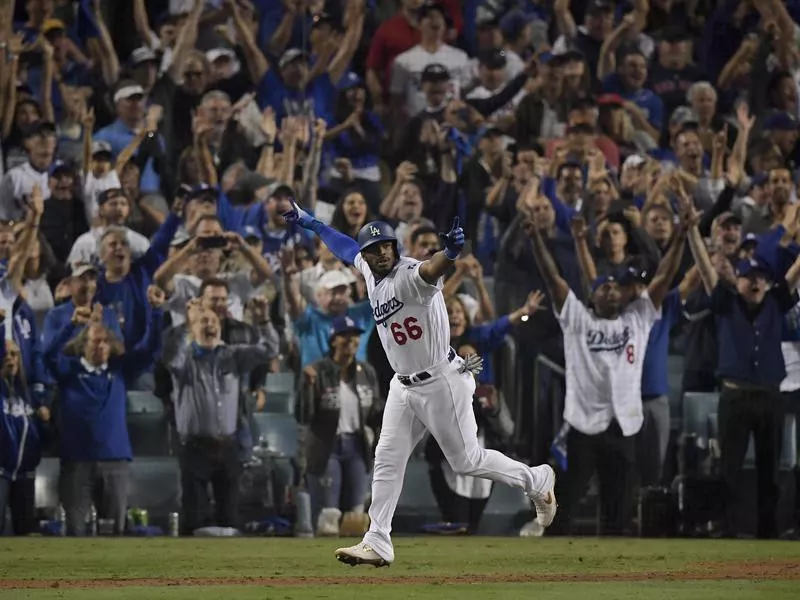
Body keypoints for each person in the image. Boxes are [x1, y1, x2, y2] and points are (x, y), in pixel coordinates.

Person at [283, 201, 556, 567]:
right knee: (387, 457)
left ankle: (536, 479)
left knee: (466, 461)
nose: (381, 252)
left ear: (395, 247)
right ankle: (378, 539)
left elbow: (432, 269)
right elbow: (347, 246)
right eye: (374, 248)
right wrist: (313, 223)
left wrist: (451, 252)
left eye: (387, 246)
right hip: (404, 385)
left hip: (442, 381)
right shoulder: (367, 267)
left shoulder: (409, 276)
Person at [526, 197, 688, 535]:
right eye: (605, 287)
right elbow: (552, 276)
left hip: (623, 426)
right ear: (593, 296)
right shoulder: (578, 320)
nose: (612, 290)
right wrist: (535, 238)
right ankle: (550, 569)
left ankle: (612, 576)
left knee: (618, 508)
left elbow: (665, 275)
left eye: (616, 288)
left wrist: (683, 233)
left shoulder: (638, 318)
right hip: (583, 426)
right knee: (566, 504)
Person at [44, 287, 165, 536]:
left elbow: (150, 349)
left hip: (115, 460)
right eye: (94, 341)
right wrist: (70, 325)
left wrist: (156, 312)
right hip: (76, 461)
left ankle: (112, 577)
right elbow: (47, 356)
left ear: (111, 346)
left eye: (105, 341)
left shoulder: (121, 371)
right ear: (83, 345)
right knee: (75, 531)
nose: (100, 346)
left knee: (113, 533)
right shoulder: (69, 372)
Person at [299, 316, 383, 537]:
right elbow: (302, 415)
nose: (351, 340)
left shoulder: (366, 372)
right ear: (333, 340)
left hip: (357, 445)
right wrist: (306, 388)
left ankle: (350, 567)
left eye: (355, 335)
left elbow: (374, 412)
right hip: (327, 446)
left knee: (356, 516)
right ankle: (322, 566)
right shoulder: (316, 371)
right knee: (328, 516)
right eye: (344, 335)